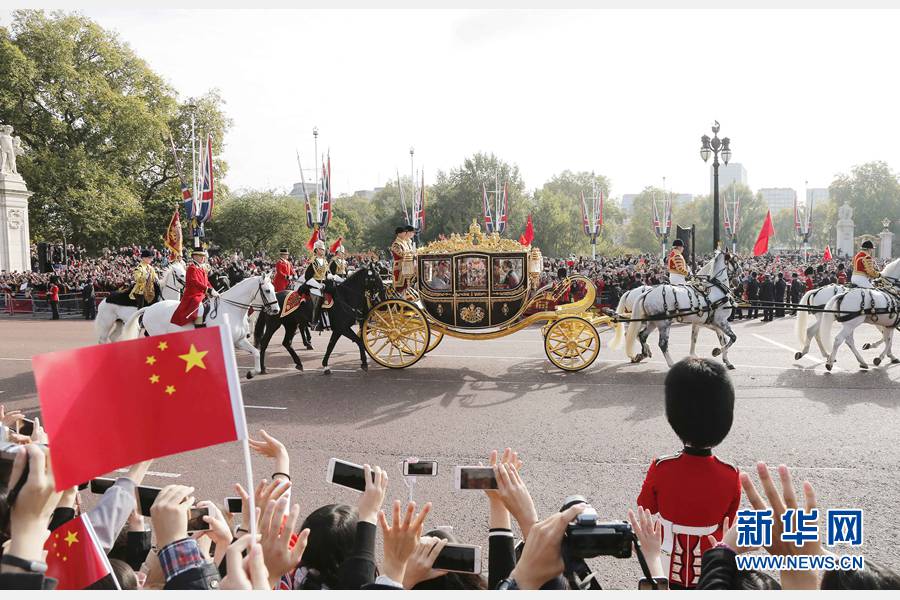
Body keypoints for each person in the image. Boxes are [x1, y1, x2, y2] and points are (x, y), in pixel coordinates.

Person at [637, 357, 740, 589]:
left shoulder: (661, 467)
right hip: (709, 568)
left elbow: (646, 506)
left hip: (665, 561)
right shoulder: (730, 474)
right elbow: (728, 524)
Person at [170, 246, 218, 328]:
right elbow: (194, 282)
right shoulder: (192, 268)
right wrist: (207, 289)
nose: (203, 258)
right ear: (195, 256)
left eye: (203, 256)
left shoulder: (202, 268)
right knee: (200, 308)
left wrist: (213, 289)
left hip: (202, 294)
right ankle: (198, 328)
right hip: (193, 295)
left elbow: (206, 282)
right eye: (201, 256)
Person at [305, 240, 330, 331]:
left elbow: (327, 274)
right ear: (316, 250)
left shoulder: (325, 261)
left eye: (323, 249)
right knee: (318, 300)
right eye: (321, 249)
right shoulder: (313, 261)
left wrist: (334, 278)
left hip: (324, 284)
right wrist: (318, 285)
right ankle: (314, 322)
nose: (323, 251)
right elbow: (307, 277)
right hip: (314, 285)